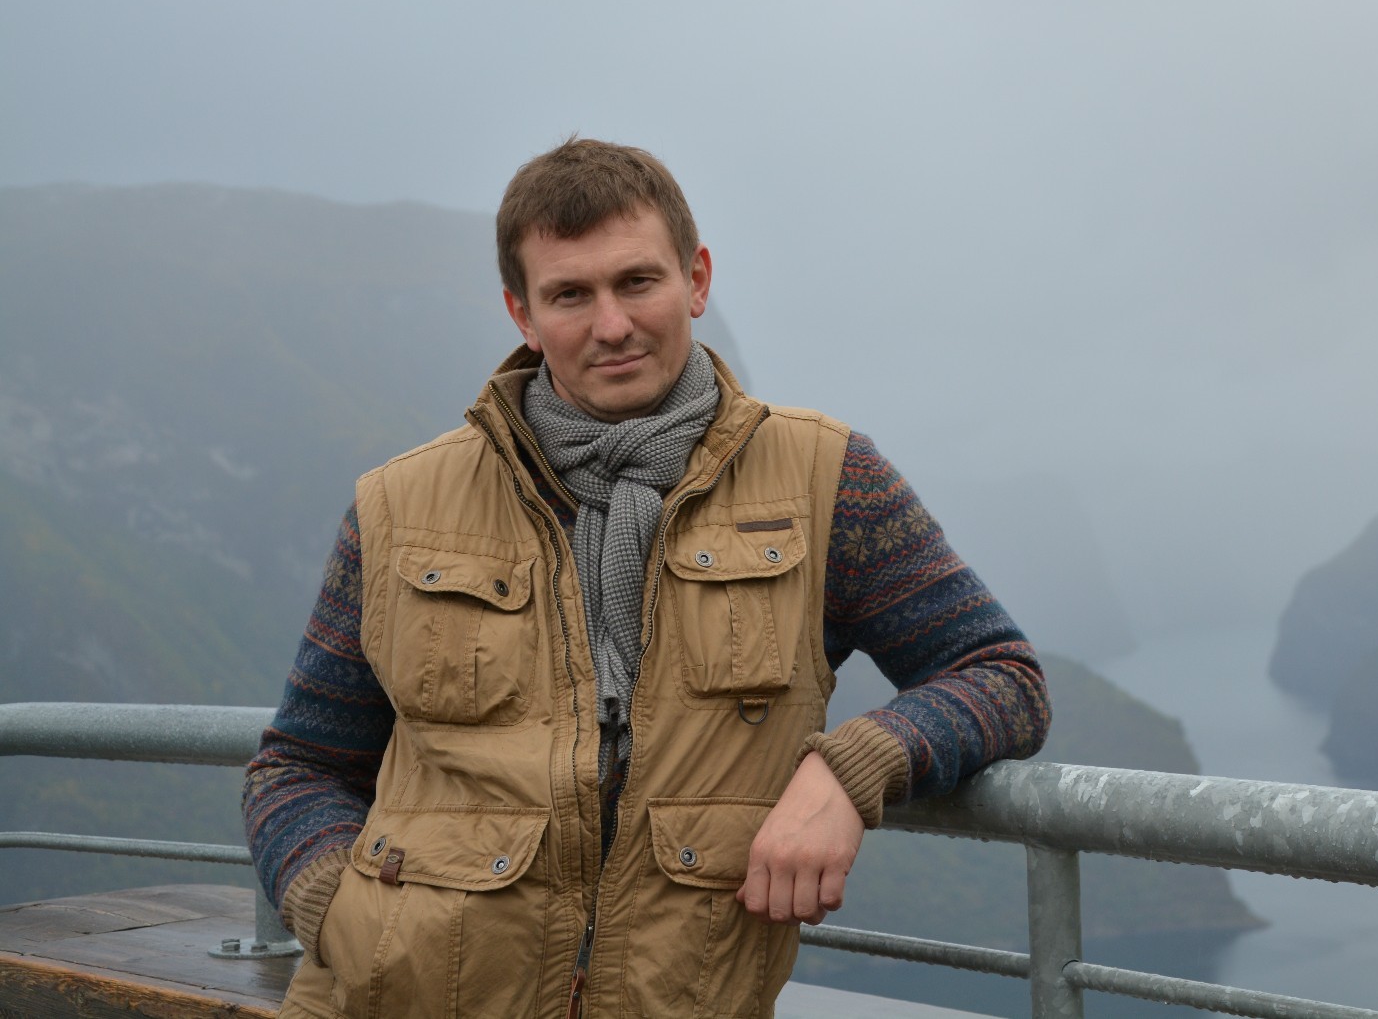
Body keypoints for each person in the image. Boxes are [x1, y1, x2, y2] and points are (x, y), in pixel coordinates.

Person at [243, 138, 1049, 1018]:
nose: (613, 324)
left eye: (637, 281)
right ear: (522, 312)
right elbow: (298, 763)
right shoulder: (401, 505)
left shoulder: (826, 483)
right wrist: (348, 918)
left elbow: (1001, 673)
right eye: (569, 295)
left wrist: (848, 772)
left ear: (696, 280)